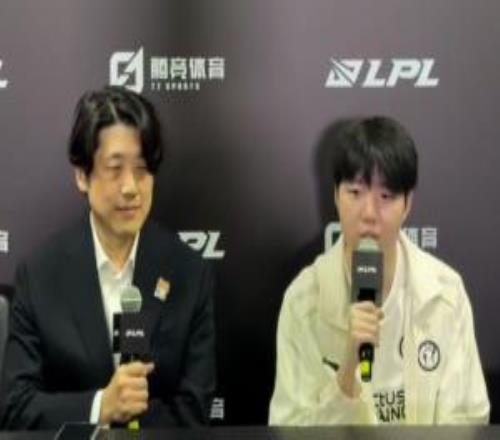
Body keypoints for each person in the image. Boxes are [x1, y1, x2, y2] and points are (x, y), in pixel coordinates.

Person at [1, 86, 215, 429]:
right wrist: (100, 407)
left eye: (142, 169)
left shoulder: (188, 272)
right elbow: (17, 407)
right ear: (82, 176)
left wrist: (132, 422)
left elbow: (194, 409)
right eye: (115, 169)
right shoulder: (40, 275)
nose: (131, 187)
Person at [269, 116, 490, 425]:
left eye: (386, 197)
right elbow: (288, 427)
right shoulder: (303, 301)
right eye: (355, 192)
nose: (369, 214)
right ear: (335, 196)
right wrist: (347, 372)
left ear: (407, 204)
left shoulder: (446, 295)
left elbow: (467, 420)